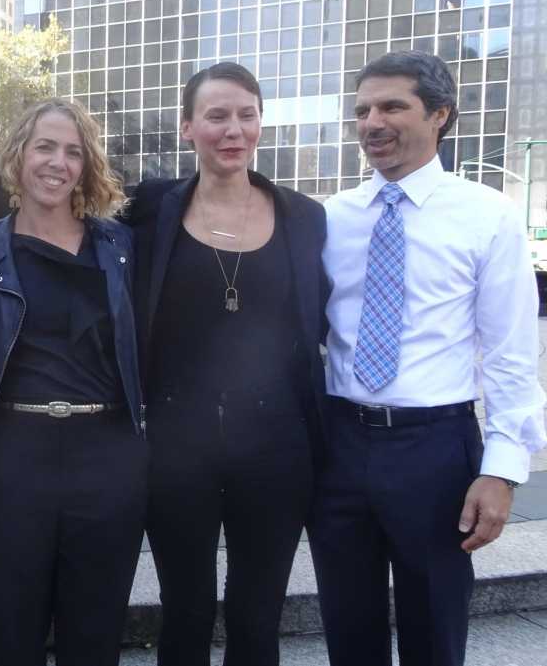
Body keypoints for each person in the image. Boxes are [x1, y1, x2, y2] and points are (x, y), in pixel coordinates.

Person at [312, 50, 547, 666]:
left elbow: (511, 354)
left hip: (435, 449)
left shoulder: (487, 216)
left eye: (393, 106)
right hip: (338, 443)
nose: (372, 123)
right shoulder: (330, 219)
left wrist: (501, 470)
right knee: (346, 622)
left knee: (435, 625)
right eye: (362, 110)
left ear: (440, 114)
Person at [125, 62, 327, 666]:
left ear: (261, 122)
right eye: (216, 116)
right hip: (173, 450)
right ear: (188, 127)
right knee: (183, 611)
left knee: (257, 614)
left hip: (276, 451)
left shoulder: (303, 217)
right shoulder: (146, 212)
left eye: (246, 114)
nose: (232, 129)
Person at [0, 99, 147, 666]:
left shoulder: (118, 248)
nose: (57, 163)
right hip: (14, 458)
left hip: (107, 454)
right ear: (19, 155)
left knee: (95, 633)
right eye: (45, 146)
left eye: (73, 151)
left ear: (87, 165)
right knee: (16, 631)